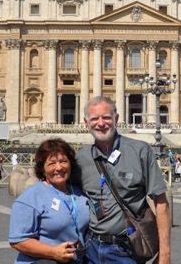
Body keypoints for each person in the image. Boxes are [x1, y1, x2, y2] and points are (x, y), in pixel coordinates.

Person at [74, 96, 170, 264]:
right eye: (95, 118)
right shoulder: (81, 158)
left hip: (125, 248)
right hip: (90, 248)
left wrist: (165, 255)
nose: (101, 123)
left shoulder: (140, 151)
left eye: (106, 117)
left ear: (116, 118)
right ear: (86, 122)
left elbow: (161, 202)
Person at [9, 138, 89, 264]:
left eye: (63, 161)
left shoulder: (79, 191)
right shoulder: (30, 197)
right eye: (51, 163)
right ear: (42, 169)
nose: (59, 167)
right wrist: (53, 252)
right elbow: (18, 241)